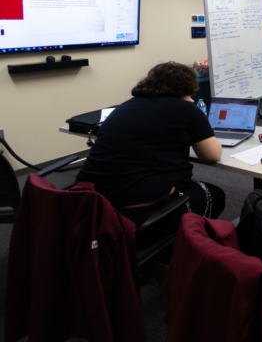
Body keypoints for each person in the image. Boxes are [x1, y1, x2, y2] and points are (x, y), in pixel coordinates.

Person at [75, 62, 226, 243]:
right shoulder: (186, 109)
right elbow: (212, 155)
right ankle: (179, 249)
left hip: (92, 208)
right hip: (135, 217)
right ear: (187, 89)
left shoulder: (124, 107)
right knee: (214, 195)